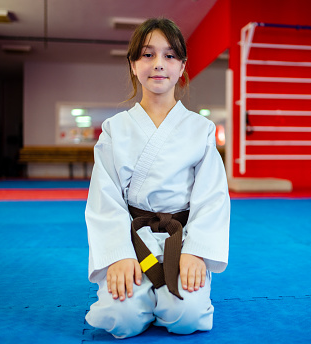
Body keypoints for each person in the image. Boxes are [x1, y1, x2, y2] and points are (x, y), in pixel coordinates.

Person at [84, 18, 230, 339]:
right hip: (133, 240)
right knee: (118, 318)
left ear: (182, 67)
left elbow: (213, 197)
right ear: (134, 65)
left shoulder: (200, 130)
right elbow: (103, 199)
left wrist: (196, 251)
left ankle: (164, 295)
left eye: (169, 56)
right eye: (147, 55)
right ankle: (139, 296)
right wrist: (118, 255)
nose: (158, 64)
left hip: (181, 240)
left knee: (187, 316)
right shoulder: (114, 129)